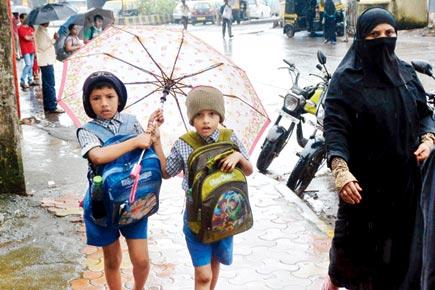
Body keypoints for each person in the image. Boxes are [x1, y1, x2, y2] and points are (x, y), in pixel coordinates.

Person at [322, 8, 435, 290]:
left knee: (401, 265)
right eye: (374, 35)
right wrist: (341, 170)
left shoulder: (406, 72)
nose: (383, 40)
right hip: (363, 194)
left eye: (389, 34)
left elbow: (424, 113)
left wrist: (428, 139)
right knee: (354, 265)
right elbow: (335, 129)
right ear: (361, 38)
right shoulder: (346, 80)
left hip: (405, 191)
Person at [150, 86, 253, 290]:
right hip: (195, 219)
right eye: (199, 115)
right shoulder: (184, 144)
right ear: (191, 119)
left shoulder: (229, 138)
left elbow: (249, 171)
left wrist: (239, 156)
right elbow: (166, 172)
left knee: (215, 263)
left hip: (225, 216)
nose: (206, 120)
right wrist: (157, 140)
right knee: (203, 274)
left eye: (212, 114)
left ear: (220, 116)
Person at [77, 71, 154, 290]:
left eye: (110, 96)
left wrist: (151, 134)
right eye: (96, 98)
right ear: (88, 102)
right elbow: (98, 155)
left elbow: (147, 155)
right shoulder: (86, 131)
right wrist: (135, 142)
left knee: (141, 260)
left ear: (119, 97)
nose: (104, 103)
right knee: (113, 259)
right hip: (102, 203)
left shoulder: (132, 122)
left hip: (134, 198)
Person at [35, 22, 64, 114]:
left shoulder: (43, 31)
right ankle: (52, 106)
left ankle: (48, 105)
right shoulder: (39, 32)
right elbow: (43, 46)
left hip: (47, 60)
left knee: (47, 84)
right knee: (50, 84)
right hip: (45, 61)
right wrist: (54, 39)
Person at [18, 13, 36, 90]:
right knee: (28, 64)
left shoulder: (30, 27)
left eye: (27, 18)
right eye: (25, 18)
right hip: (25, 49)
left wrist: (31, 37)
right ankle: (22, 81)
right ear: (21, 19)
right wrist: (31, 37)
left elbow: (34, 37)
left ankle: (30, 80)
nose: (26, 19)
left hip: (31, 48)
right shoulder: (20, 28)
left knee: (31, 65)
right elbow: (26, 38)